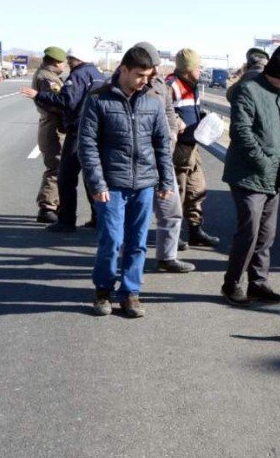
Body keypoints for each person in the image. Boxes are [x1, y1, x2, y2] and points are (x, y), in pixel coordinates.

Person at [78, 46, 176, 318]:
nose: (145, 80)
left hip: (144, 184)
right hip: (112, 185)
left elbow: (161, 145)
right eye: (139, 75)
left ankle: (131, 292)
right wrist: (97, 184)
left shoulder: (153, 102)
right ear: (123, 69)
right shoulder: (98, 100)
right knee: (111, 239)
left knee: (138, 242)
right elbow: (87, 144)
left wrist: (166, 181)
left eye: (149, 75)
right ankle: (103, 290)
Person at [220, 45, 280, 304]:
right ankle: (232, 284)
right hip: (248, 176)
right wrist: (263, 163)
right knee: (249, 233)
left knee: (266, 235)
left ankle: (258, 283)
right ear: (272, 74)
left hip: (272, 178)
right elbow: (241, 132)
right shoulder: (248, 90)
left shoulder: (279, 94)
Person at [22, 47, 105, 232]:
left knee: (66, 176)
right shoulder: (99, 74)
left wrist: (39, 95)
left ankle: (66, 220)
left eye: (70, 59)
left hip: (78, 131)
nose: (68, 63)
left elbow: (66, 100)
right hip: (98, 131)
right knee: (92, 176)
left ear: (77, 59)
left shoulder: (79, 75)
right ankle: (98, 218)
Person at [132, 41, 194, 273]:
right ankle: (126, 262)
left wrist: (171, 134)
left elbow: (169, 112)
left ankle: (167, 257)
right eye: (151, 66)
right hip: (137, 165)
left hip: (163, 160)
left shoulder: (160, 85)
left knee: (171, 211)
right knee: (137, 219)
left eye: (157, 66)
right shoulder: (125, 86)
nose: (155, 72)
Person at [167, 48, 220, 248]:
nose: (200, 70)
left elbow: (191, 110)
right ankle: (173, 235)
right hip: (178, 148)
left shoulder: (192, 85)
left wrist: (203, 118)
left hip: (193, 147)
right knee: (177, 192)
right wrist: (177, 120)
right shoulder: (171, 85)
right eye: (198, 67)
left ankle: (195, 231)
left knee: (197, 190)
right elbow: (162, 110)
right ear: (188, 68)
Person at [31, 46, 68, 224]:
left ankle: (54, 203)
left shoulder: (47, 75)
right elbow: (55, 103)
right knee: (56, 167)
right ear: (55, 63)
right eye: (63, 63)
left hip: (53, 126)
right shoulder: (47, 78)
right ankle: (47, 207)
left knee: (57, 166)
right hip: (54, 127)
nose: (65, 66)